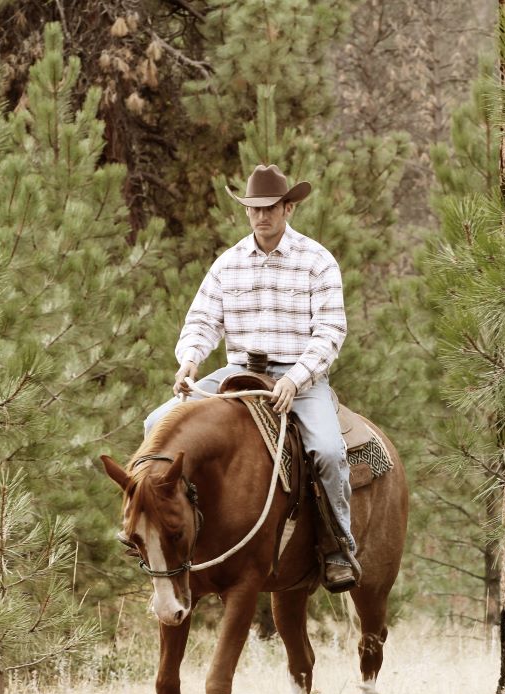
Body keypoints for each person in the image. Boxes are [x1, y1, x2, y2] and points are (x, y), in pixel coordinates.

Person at [143, 164, 359, 590]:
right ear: (246, 211)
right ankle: (166, 530)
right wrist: (189, 360)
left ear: (289, 207)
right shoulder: (229, 264)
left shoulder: (317, 261)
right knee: (155, 424)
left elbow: (331, 330)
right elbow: (203, 321)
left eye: (271, 207)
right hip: (237, 372)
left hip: (299, 377)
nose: (262, 216)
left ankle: (339, 547)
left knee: (330, 452)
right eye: (253, 208)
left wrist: (295, 379)